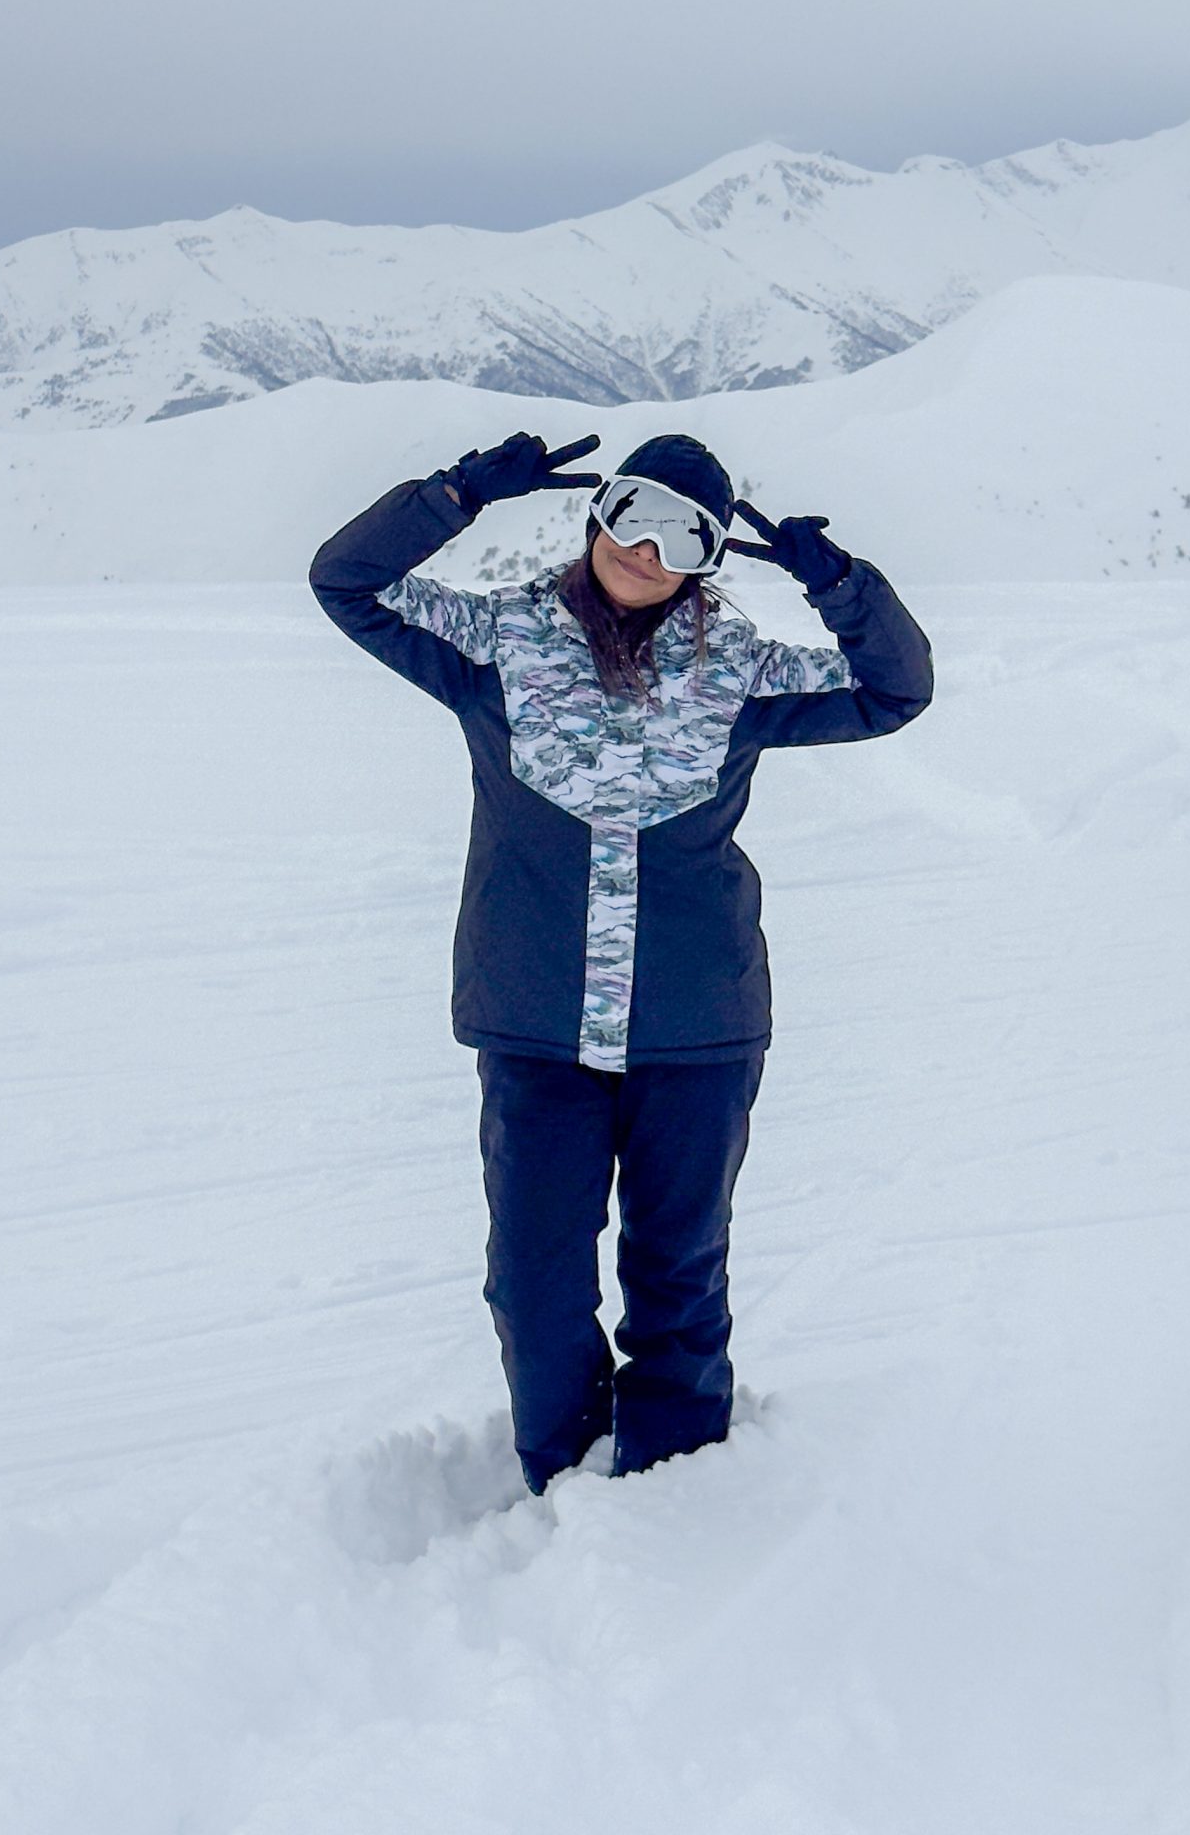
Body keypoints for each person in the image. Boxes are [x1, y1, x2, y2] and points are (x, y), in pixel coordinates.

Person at [309, 428, 933, 1491]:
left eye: (685, 533)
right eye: (633, 512)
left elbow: (894, 689)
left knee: (677, 1274)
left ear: (709, 560)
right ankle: (560, 1466)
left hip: (697, 1024)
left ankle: (671, 1484)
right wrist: (454, 497)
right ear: (599, 514)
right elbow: (347, 580)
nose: (648, 548)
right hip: (537, 1020)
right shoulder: (495, 642)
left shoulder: (738, 671)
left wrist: (844, 586)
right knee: (534, 1281)